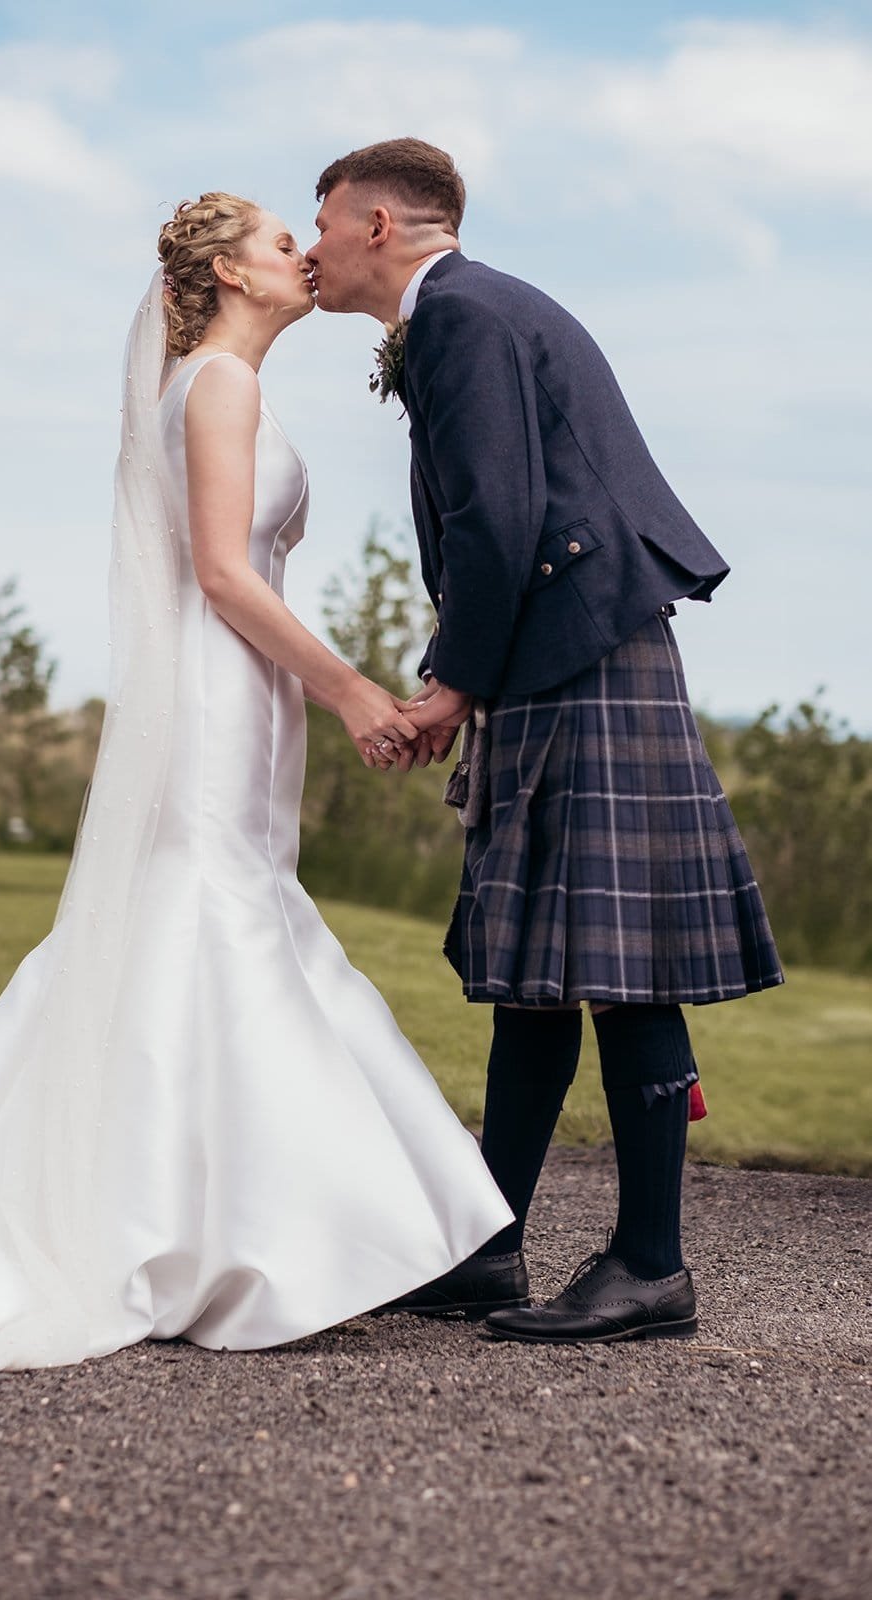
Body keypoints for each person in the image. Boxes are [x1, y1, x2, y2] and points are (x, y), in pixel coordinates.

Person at [0, 193, 513, 1454]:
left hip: (237, 692)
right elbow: (225, 574)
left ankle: (203, 1213)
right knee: (223, 921)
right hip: (218, 688)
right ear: (227, 272)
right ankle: (252, 1234)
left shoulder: (211, 381)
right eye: (276, 238)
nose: (303, 250)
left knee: (209, 920)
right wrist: (350, 688)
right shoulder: (217, 389)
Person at [307, 139, 783, 1344]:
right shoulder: (473, 310)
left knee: (617, 964)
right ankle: (488, 1243)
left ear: (374, 222)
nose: (308, 251)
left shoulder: (462, 314)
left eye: (320, 224)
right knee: (537, 969)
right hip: (564, 650)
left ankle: (650, 1263)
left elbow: (496, 517)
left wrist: (448, 686)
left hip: (576, 652)